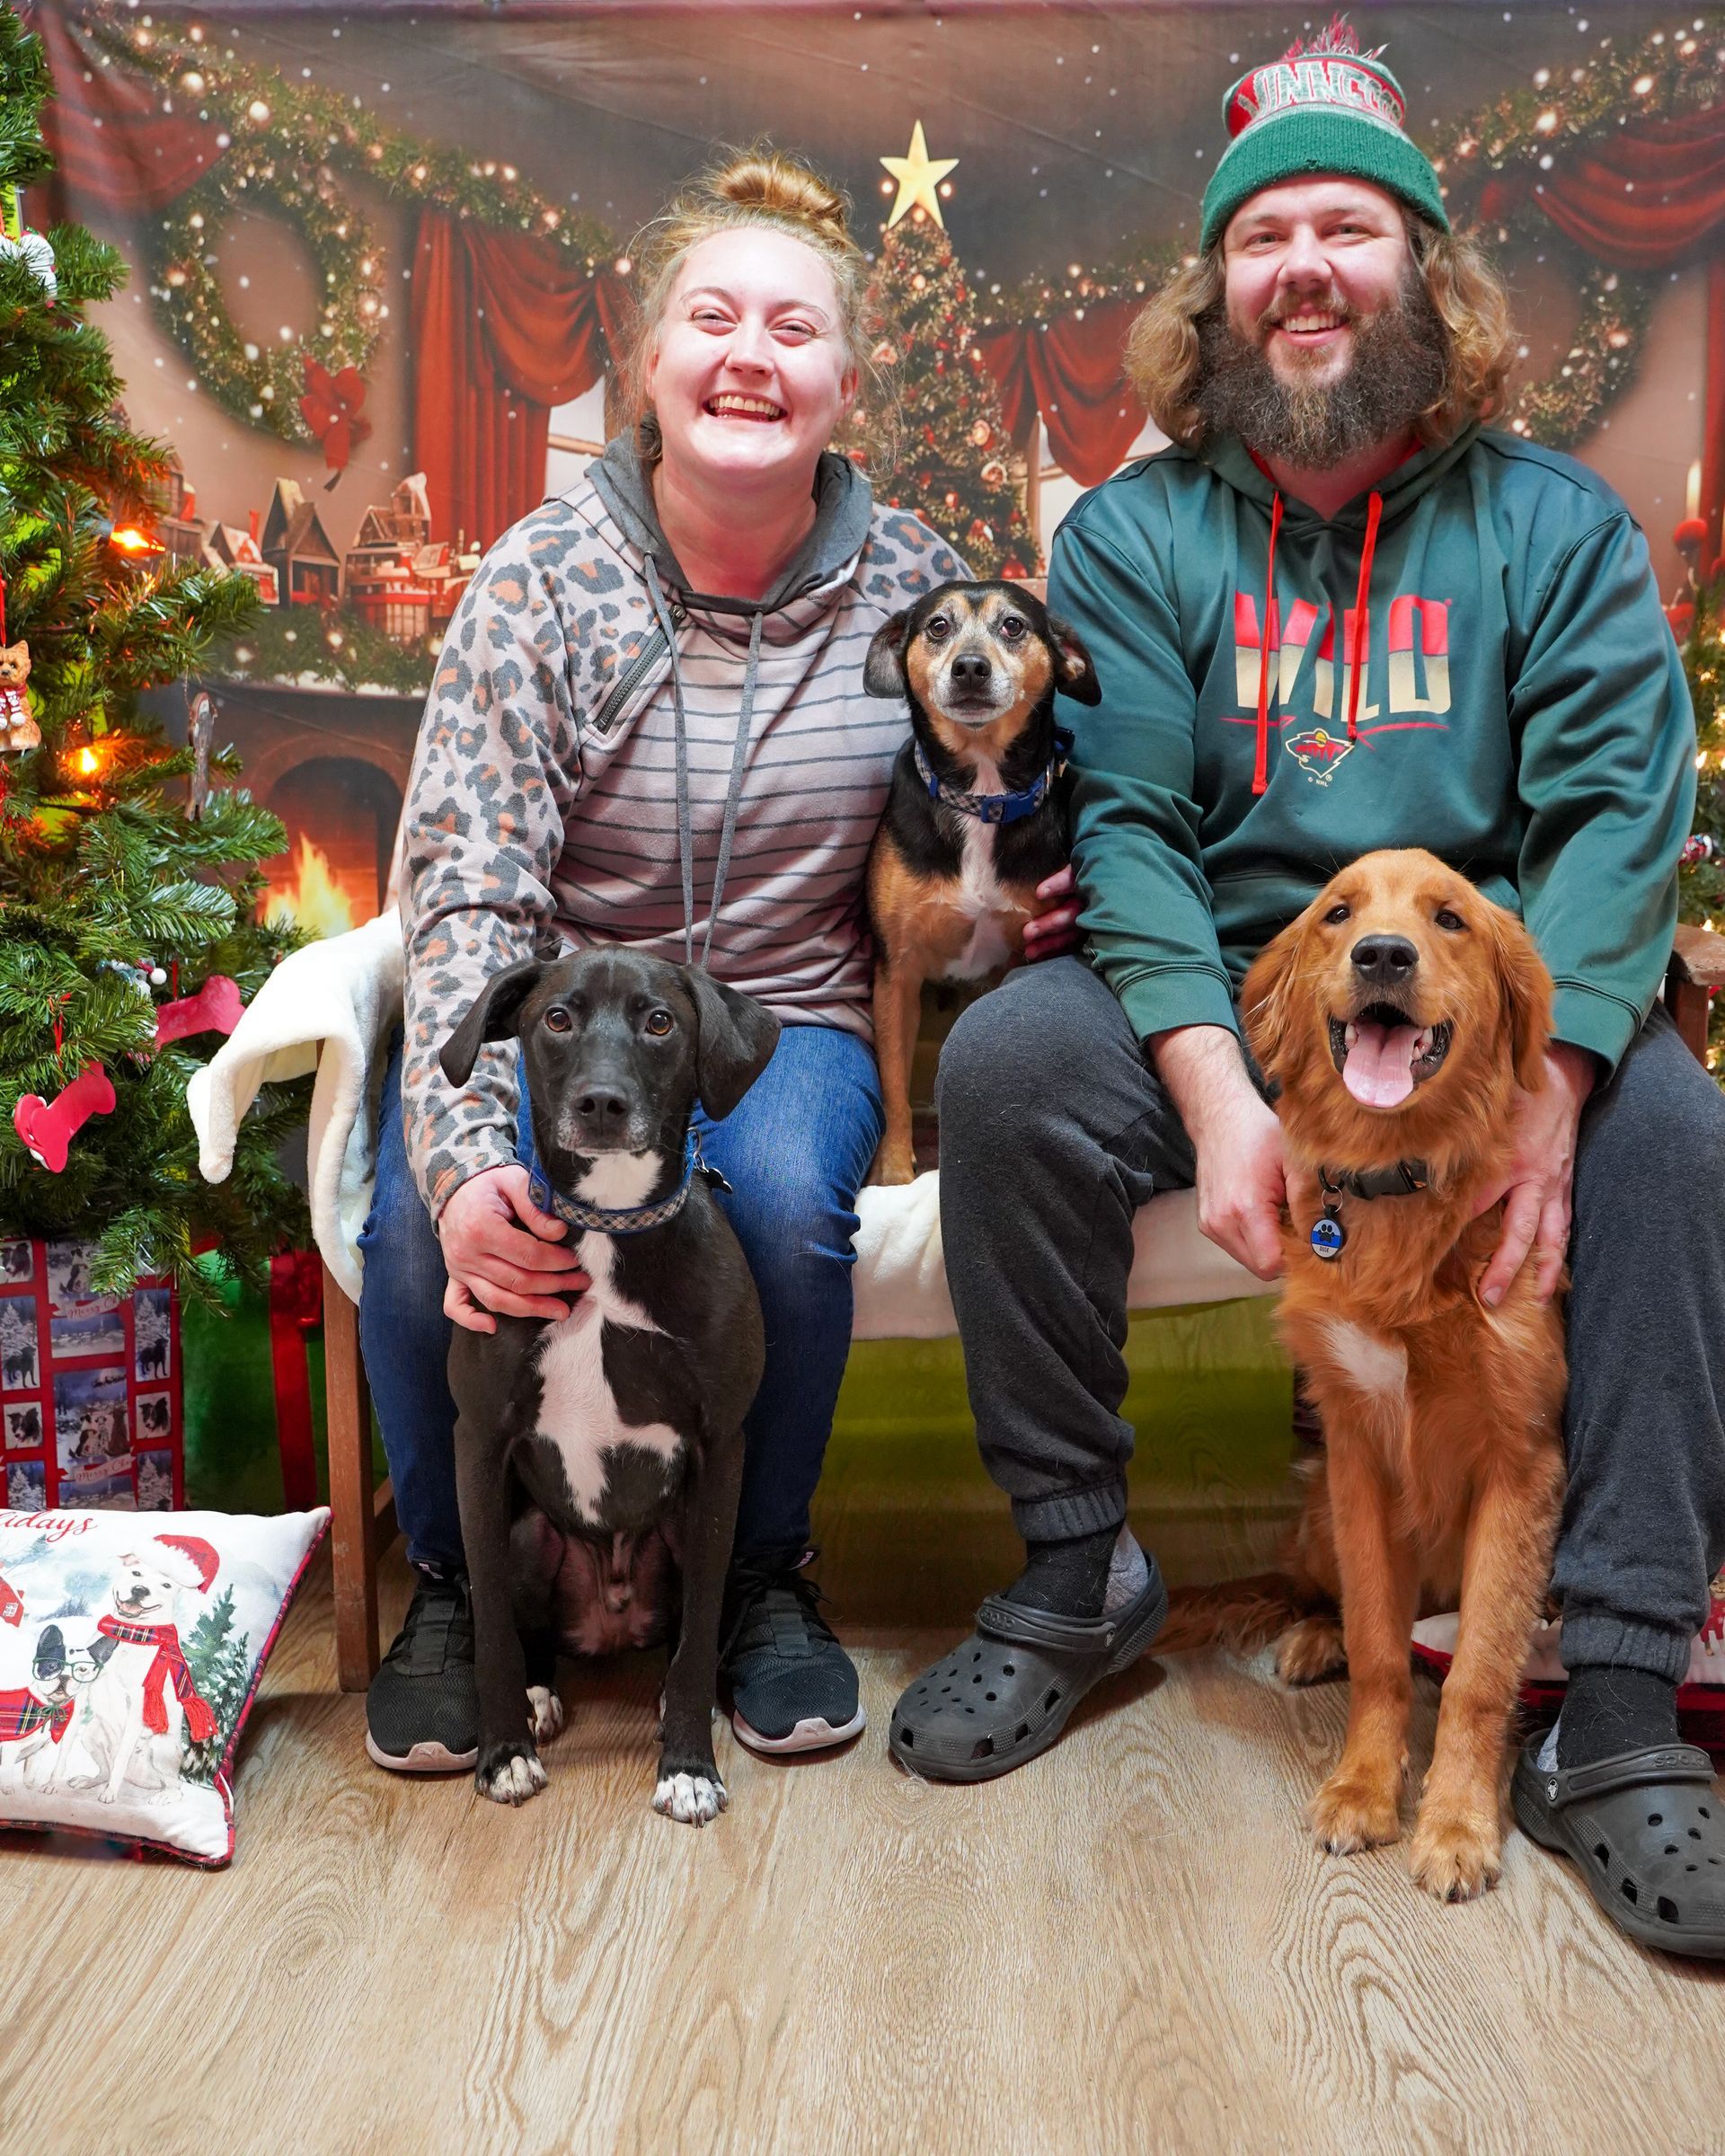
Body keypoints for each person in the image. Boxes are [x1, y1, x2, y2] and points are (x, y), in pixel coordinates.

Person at [889, 23, 1725, 1956]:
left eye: (1354, 226)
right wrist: (1217, 1094)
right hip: (1237, 991)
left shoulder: (1555, 531)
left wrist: (1560, 1081)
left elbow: (1619, 805)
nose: (1310, 267)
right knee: (1015, 1059)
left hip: (1491, 1006)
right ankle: (1071, 1581)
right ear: (1217, 293)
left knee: (1685, 1132)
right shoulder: (1140, 533)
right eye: (1267, 236)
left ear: (1427, 272)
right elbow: (1140, 835)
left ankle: (1609, 1705)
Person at [361, 148, 1051, 1775]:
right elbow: (463, 890)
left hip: (783, 1009)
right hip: (567, 1010)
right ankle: (464, 1588)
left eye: (795, 327)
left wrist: (1050, 885)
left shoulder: (909, 582)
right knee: (415, 1229)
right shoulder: (542, 582)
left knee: (793, 1211)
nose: (753, 353)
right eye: (714, 317)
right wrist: (467, 1161)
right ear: (648, 359)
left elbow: (1009, 760)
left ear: (845, 378)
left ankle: (759, 1578)